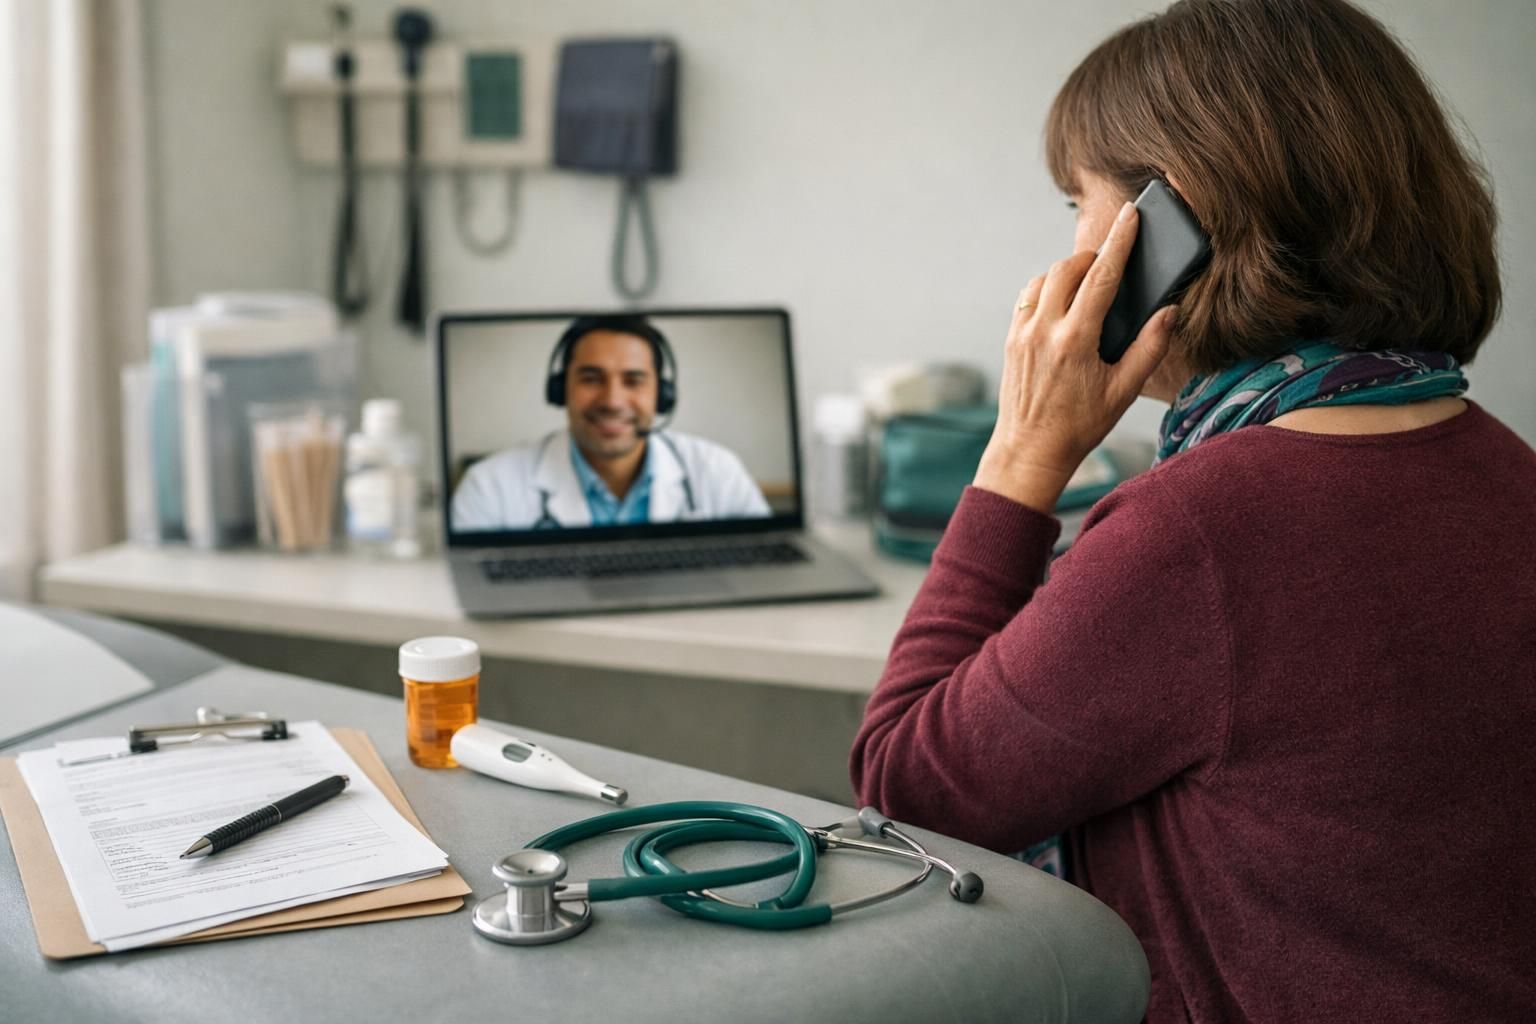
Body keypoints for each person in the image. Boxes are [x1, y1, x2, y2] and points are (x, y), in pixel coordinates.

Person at [849, 1, 1536, 1021]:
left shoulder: (1203, 530)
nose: (1068, 259)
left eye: (1080, 206)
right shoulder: (1504, 468)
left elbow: (907, 783)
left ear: (1180, 224)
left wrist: (1021, 456)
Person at [451, 315, 770, 531]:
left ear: (662, 394)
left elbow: (765, 578)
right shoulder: (488, 488)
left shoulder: (718, 472)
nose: (612, 401)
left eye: (634, 380)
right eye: (591, 378)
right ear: (562, 389)